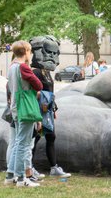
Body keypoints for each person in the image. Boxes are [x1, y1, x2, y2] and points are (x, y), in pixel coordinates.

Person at [29, 36, 71, 180]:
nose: (52, 57)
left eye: (55, 53)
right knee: (34, 138)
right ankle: (29, 167)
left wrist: (53, 109)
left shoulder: (46, 73)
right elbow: (33, 93)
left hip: (47, 111)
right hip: (39, 111)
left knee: (50, 137)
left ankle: (53, 167)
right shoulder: (35, 72)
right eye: (49, 53)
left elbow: (50, 93)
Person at [4, 40, 43, 187]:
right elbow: (38, 85)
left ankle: (10, 175)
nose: (31, 54)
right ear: (26, 51)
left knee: (18, 143)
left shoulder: (11, 67)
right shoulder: (23, 68)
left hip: (15, 106)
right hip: (24, 108)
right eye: (30, 51)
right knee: (23, 144)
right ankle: (21, 179)